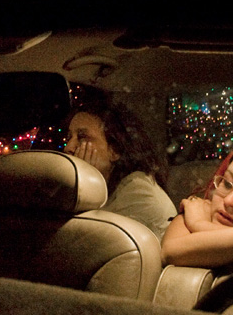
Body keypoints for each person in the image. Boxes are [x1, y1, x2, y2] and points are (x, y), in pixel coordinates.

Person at [64, 98, 175, 240]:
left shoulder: (138, 194)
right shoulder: (115, 189)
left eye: (82, 137)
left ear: (114, 150)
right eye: (69, 137)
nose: (68, 147)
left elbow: (83, 242)